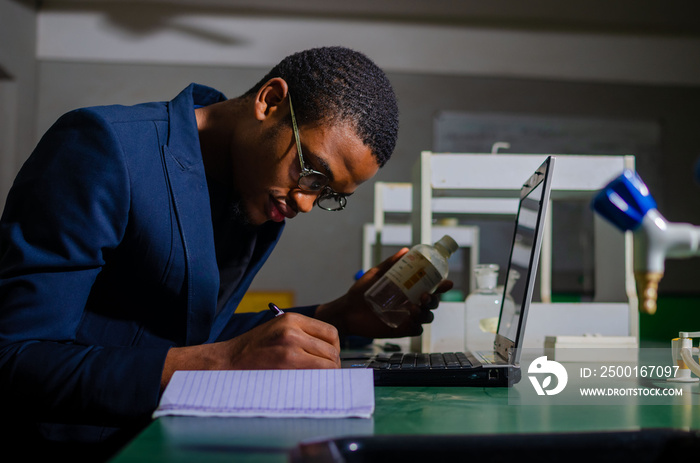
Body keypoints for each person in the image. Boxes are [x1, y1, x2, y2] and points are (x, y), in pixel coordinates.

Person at [0, 46, 452, 459]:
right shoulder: (105, 146)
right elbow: (13, 356)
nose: (306, 203)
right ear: (270, 102)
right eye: (313, 173)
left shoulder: (256, 191)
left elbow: (180, 332)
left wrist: (340, 315)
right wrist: (222, 363)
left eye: (328, 194)